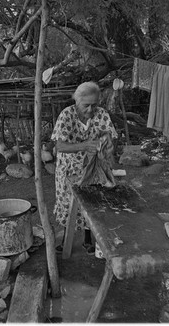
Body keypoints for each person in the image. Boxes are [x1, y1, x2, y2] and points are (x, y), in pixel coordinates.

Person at [51, 81, 118, 254]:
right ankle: (67, 237)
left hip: (92, 168)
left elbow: (108, 136)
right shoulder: (66, 115)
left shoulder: (101, 114)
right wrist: (84, 145)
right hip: (68, 169)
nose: (90, 110)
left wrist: (109, 144)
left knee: (90, 204)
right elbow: (60, 146)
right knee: (68, 204)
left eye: (94, 105)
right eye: (86, 105)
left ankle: (88, 239)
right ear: (76, 101)